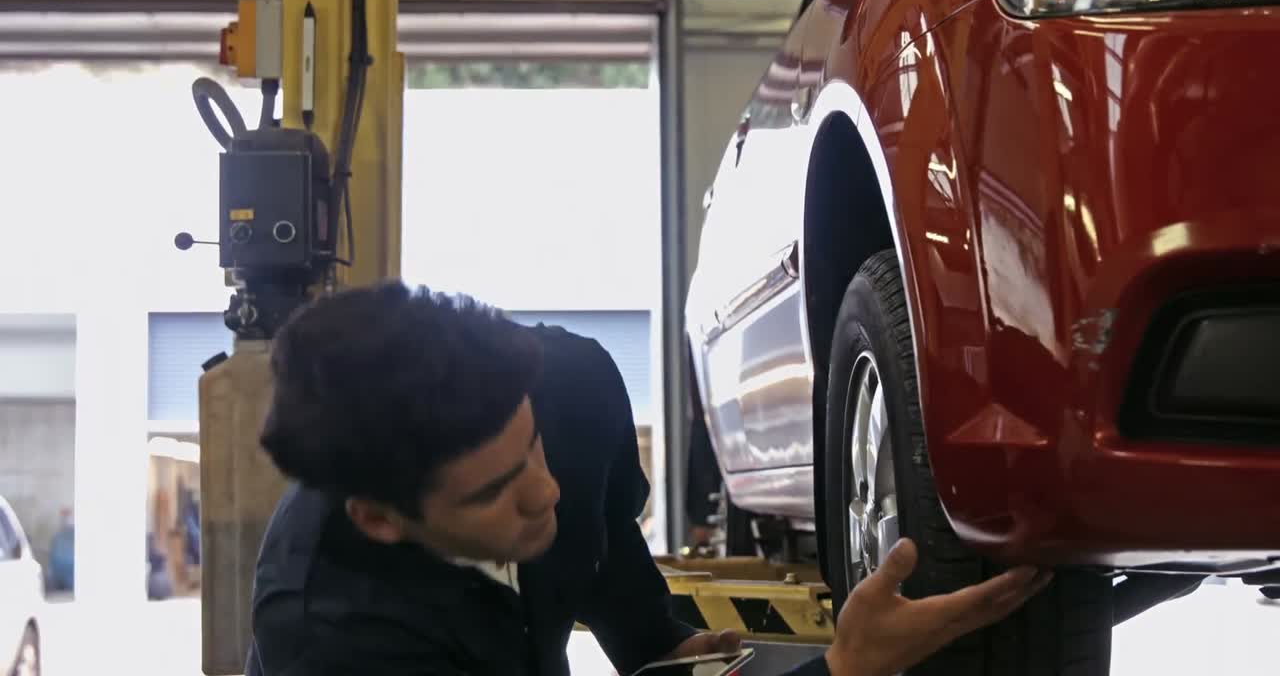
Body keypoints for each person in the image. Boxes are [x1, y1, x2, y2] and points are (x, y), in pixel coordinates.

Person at [245, 282, 1051, 676]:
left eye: (534, 449)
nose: (544, 492)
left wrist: (654, 644)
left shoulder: (567, 384)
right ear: (383, 519)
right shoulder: (333, 641)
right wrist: (843, 670)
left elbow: (599, 525)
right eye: (493, 491)